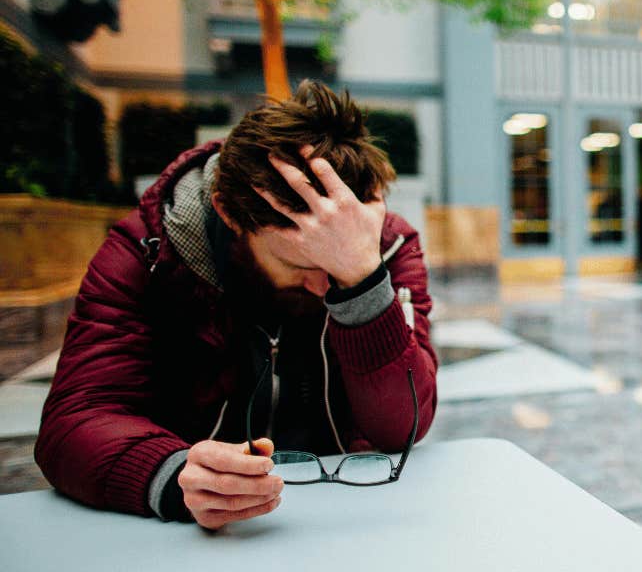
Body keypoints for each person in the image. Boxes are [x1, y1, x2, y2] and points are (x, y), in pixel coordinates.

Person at [35, 81, 438, 530]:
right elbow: (75, 422)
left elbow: (401, 427)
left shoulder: (386, 246)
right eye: (299, 262)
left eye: (339, 263)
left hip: (348, 516)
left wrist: (364, 280)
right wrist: (171, 474)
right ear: (228, 213)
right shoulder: (147, 251)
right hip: (196, 540)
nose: (326, 286)